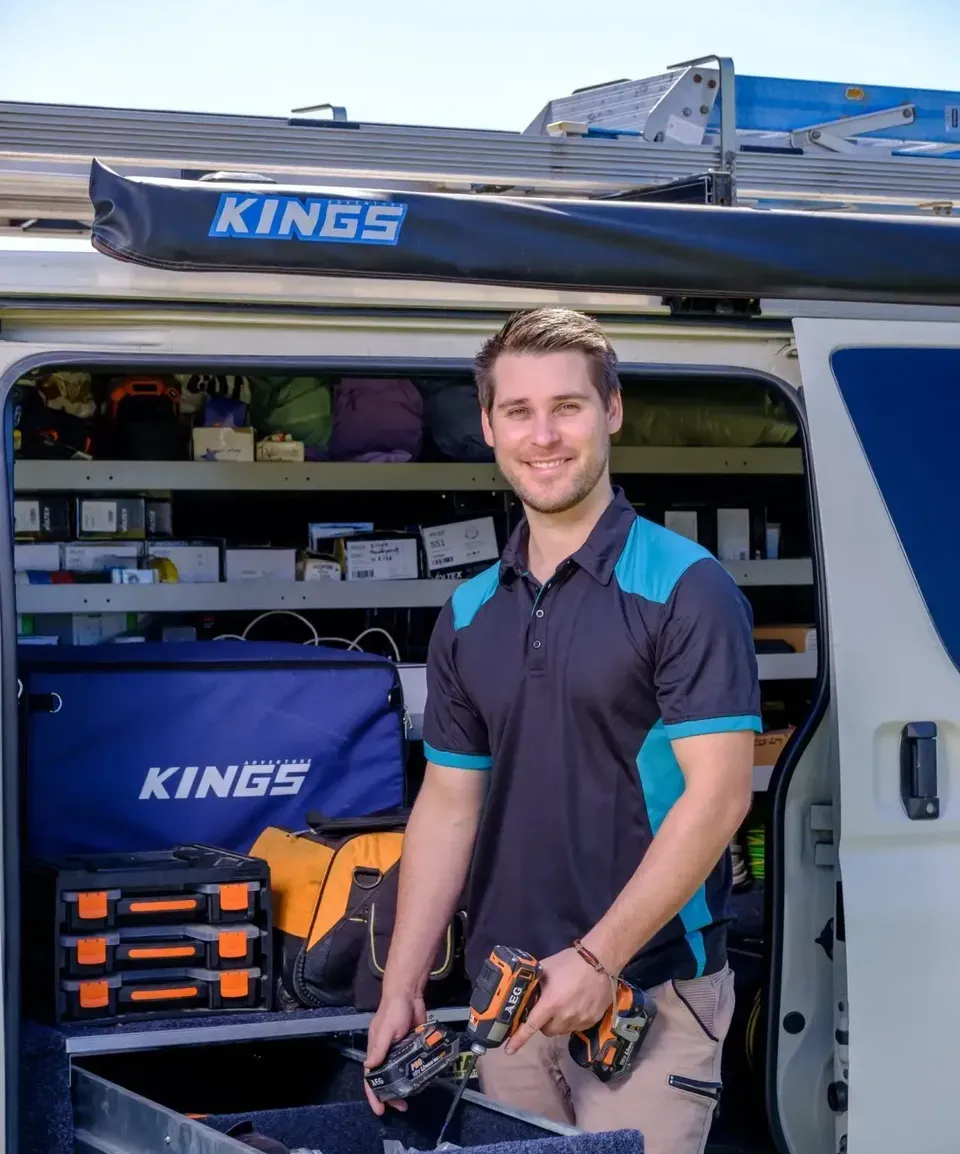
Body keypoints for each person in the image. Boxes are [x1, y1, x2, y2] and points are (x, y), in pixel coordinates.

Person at [363, 307, 761, 1154]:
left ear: (611, 411)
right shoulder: (468, 614)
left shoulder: (688, 588)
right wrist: (400, 983)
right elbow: (448, 806)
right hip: (505, 1006)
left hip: (647, 994)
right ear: (488, 426)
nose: (543, 436)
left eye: (568, 407)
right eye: (518, 411)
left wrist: (598, 957)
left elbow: (720, 796)